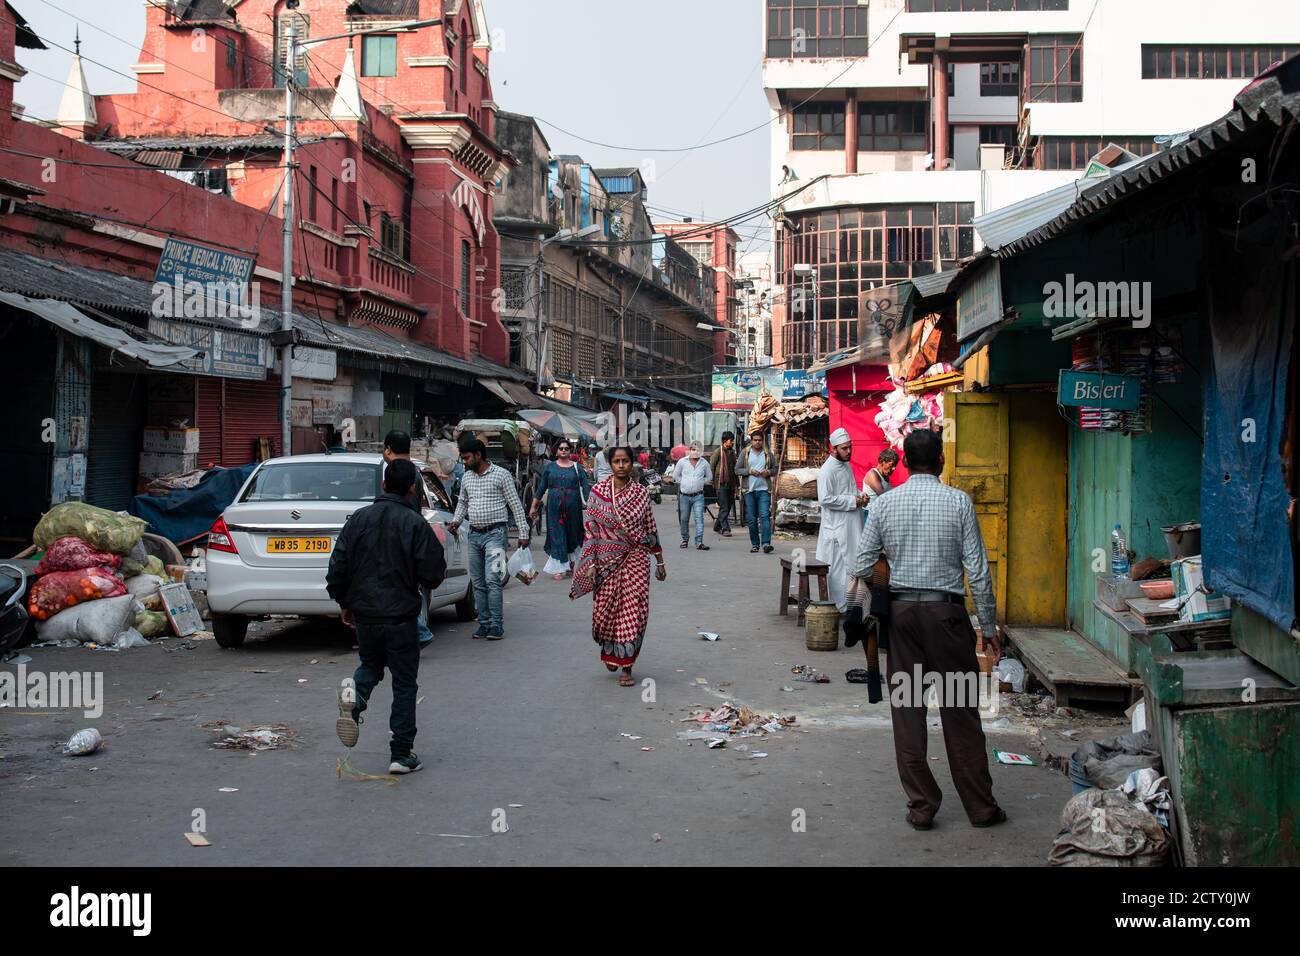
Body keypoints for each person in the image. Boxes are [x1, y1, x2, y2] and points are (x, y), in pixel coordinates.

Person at [853, 428, 1006, 831]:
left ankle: (922, 806)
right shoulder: (958, 502)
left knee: (907, 710)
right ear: (940, 461)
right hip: (948, 620)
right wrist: (988, 626)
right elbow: (977, 570)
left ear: (903, 461)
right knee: (960, 713)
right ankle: (981, 808)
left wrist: (887, 581)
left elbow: (862, 564)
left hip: (903, 621)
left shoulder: (886, 503)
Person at [327, 459, 446, 775]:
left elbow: (337, 566)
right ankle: (401, 753)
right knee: (404, 683)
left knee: (370, 666)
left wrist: (344, 601)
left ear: (382, 486)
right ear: (412, 489)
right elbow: (434, 573)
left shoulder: (358, 520)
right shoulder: (415, 524)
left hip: (365, 614)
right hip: (401, 616)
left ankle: (357, 694)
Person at [570, 446, 666, 687]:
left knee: (634, 613)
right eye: (616, 461)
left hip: (636, 558)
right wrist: (590, 562)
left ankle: (627, 666)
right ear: (610, 464)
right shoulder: (597, 492)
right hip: (605, 562)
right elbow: (591, 530)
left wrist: (660, 561)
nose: (621, 465)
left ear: (631, 463)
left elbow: (650, 527)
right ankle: (609, 648)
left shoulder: (641, 493)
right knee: (605, 612)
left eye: (625, 461)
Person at [448, 437, 530, 640]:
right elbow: (463, 503)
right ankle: (483, 624)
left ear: (478, 455)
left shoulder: (501, 475)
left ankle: (496, 625)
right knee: (477, 582)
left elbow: (515, 504)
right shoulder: (467, 478)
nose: (465, 462)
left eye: (467, 458)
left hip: (496, 534)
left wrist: (523, 533)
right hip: (474, 535)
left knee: (493, 581)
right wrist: (456, 521)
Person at [382, 429, 435, 650]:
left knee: (403, 590)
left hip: (400, 535)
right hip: (410, 533)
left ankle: (420, 631)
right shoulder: (415, 471)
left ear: (387, 450)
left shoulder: (395, 471)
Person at [817, 428, 866, 611]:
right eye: (845, 448)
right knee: (837, 572)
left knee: (851, 567)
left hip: (850, 526)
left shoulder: (845, 465)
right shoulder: (827, 471)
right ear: (834, 448)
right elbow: (825, 499)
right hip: (835, 529)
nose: (849, 451)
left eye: (850, 447)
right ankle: (838, 608)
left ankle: (851, 606)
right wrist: (852, 501)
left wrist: (860, 497)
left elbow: (850, 490)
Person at [529, 438, 590, 579]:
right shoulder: (550, 468)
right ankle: (559, 567)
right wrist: (533, 507)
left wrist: (592, 504)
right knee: (557, 535)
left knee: (572, 534)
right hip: (554, 509)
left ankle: (569, 563)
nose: (563, 450)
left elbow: (585, 487)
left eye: (566, 449)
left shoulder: (577, 467)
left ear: (570, 451)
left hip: (573, 508)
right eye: (561, 448)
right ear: (556, 451)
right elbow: (541, 489)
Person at [735, 431, 776, 554]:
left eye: (759, 440)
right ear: (751, 441)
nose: (757, 442)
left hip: (764, 490)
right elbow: (737, 470)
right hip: (749, 491)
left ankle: (766, 544)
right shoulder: (745, 453)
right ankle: (755, 544)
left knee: (764, 516)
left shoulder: (768, 454)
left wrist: (768, 472)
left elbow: (775, 468)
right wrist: (749, 471)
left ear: (763, 441)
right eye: (755, 440)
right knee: (752, 519)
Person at [671, 441, 712, 550]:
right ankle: (685, 539)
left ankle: (699, 542)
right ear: (690, 450)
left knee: (699, 519)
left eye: (698, 450)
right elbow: (675, 476)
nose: (695, 452)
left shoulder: (704, 463)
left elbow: (709, 477)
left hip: (698, 496)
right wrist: (684, 481)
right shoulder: (682, 462)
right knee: (684, 519)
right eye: (693, 449)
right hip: (684, 496)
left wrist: (700, 482)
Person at [709, 432, 738, 537]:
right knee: (724, 507)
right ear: (725, 441)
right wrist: (712, 482)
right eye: (731, 440)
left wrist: (737, 485)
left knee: (728, 506)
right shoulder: (718, 452)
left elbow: (735, 469)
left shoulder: (732, 453)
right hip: (720, 484)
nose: (733, 442)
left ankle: (717, 526)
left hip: (730, 484)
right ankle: (725, 528)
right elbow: (711, 467)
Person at [861, 448, 900, 524]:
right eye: (891, 465)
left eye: (895, 465)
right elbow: (883, 496)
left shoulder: (885, 475)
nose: (894, 468)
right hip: (870, 516)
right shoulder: (872, 474)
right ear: (882, 461)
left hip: (880, 515)